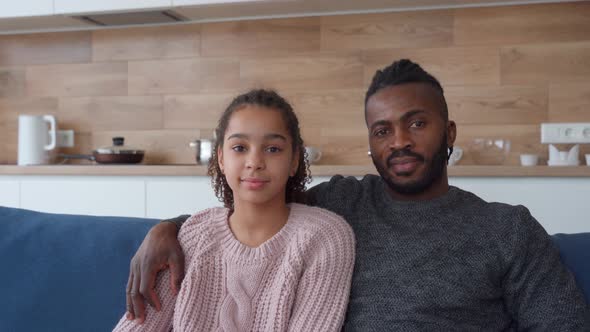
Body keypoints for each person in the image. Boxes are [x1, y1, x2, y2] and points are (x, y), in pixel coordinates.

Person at [125, 60, 589, 330]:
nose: (400, 141)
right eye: (383, 130)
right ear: (371, 143)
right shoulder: (341, 203)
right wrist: (170, 228)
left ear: (449, 132)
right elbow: (253, 206)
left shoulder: (505, 228)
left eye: (417, 123)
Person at [114, 89, 355, 331]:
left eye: (273, 149)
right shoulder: (195, 234)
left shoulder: (324, 238)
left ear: (294, 160)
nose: (254, 162)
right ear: (220, 158)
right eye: (240, 148)